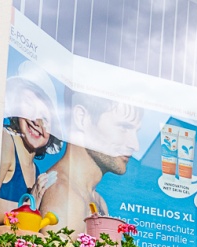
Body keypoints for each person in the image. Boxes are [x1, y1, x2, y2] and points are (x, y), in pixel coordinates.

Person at [42, 91, 143, 233]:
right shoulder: (66, 196)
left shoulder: (95, 199)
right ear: (81, 118)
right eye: (123, 127)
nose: (135, 145)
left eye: (136, 131)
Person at [0, 63, 63, 224]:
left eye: (46, 118)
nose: (37, 121)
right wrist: (30, 206)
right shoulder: (6, 140)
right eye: (29, 105)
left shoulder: (36, 170)